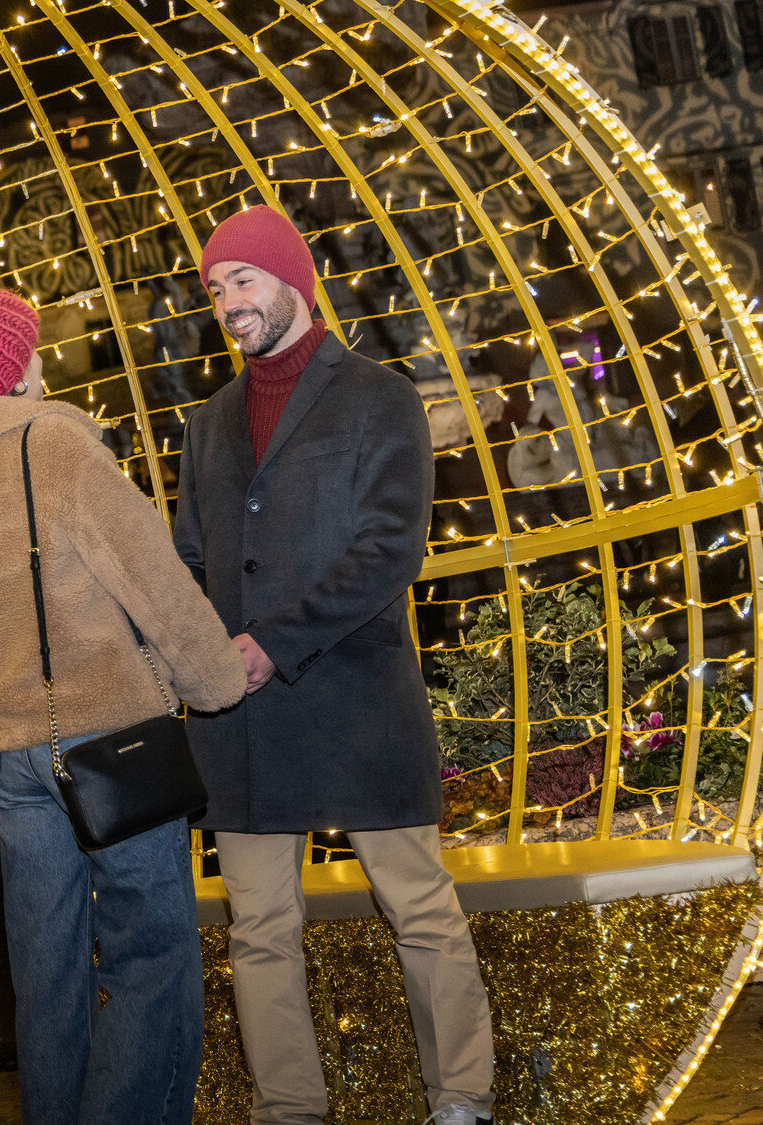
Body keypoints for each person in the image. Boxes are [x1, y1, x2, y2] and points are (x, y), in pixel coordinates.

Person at [172, 205, 495, 1125]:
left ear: (292, 281)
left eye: (242, 279)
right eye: (215, 287)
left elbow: (389, 550)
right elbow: (190, 558)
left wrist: (274, 641)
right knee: (259, 931)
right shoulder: (208, 424)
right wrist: (193, 652)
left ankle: (462, 1097)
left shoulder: (379, 397)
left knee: (421, 910)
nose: (227, 301)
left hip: (356, 697)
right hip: (240, 716)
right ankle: (290, 1110)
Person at [0, 287, 246, 1125]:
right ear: (9, 362)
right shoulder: (55, 443)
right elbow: (153, 579)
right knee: (150, 958)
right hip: (106, 742)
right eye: (27, 343)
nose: (39, 356)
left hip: (11, 756)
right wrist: (216, 681)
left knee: (47, 974)